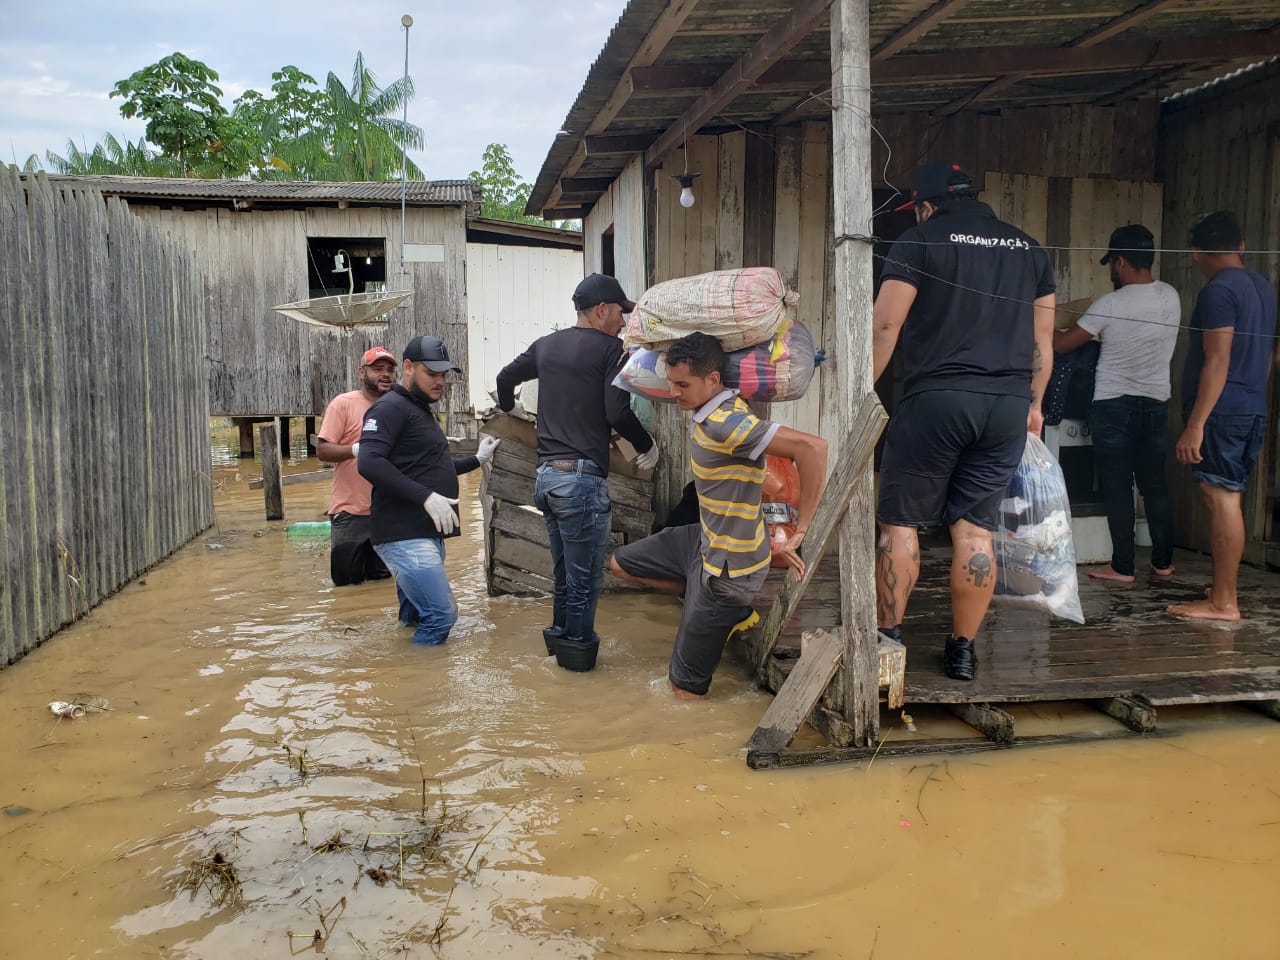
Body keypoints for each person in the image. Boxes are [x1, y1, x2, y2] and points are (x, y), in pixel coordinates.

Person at [871, 160, 1056, 682]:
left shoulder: (918, 240)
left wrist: (861, 394)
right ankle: (962, 651)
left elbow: (886, 322)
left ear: (926, 205)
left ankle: (888, 639)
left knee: (900, 523)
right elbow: (1042, 342)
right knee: (976, 534)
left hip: (936, 400)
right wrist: (1034, 406)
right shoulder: (1027, 248)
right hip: (1006, 406)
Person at [609, 333, 828, 700]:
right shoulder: (715, 407)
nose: (674, 392)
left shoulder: (727, 424)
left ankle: (723, 610)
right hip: (704, 539)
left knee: (684, 694)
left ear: (713, 380)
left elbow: (814, 449)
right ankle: (711, 608)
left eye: (683, 384)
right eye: (671, 383)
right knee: (620, 563)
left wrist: (801, 529)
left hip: (729, 570)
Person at [495, 273, 658, 670]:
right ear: (602, 310)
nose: (623, 321)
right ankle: (579, 667)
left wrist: (510, 408)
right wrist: (647, 444)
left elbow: (505, 378)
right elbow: (616, 411)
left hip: (547, 479)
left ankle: (560, 652)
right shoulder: (612, 350)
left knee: (566, 574)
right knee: (585, 582)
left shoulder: (546, 345)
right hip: (580, 482)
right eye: (620, 311)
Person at [1053, 224, 1181, 583]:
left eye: (1113, 263)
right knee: (1154, 484)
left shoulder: (1109, 304)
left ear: (1121, 261)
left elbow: (1064, 345)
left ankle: (1123, 566)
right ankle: (1163, 563)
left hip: (1113, 406)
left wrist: (1038, 326)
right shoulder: (1171, 296)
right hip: (1156, 403)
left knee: (1117, 486)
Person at [1168, 211, 1278, 622]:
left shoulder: (1218, 292)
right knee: (1227, 495)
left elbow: (1217, 360)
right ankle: (1223, 590)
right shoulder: (1262, 288)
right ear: (1242, 245)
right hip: (1250, 405)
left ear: (1196, 253)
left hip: (1222, 410)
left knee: (1222, 498)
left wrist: (1195, 425)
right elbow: (1267, 355)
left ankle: (1224, 603)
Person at [358, 335, 500, 645]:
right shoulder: (390, 408)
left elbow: (428, 466)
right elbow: (368, 462)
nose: (440, 381)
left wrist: (477, 459)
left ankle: (405, 672)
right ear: (407, 368)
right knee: (441, 616)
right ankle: (426, 692)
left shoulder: (418, 409)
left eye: (444, 375)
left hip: (424, 532)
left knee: (415, 617)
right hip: (404, 535)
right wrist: (425, 497)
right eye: (431, 373)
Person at [315, 347, 398, 586]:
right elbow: (323, 450)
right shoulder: (343, 404)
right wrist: (357, 449)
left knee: (382, 586)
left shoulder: (398, 407)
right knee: (346, 587)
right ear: (362, 373)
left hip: (388, 514)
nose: (385, 375)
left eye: (390, 370)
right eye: (377, 369)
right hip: (350, 514)